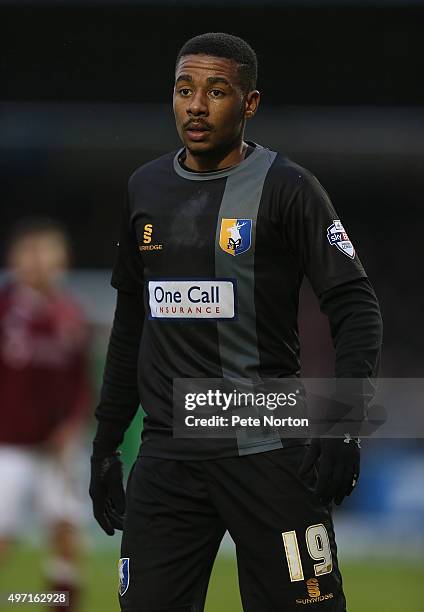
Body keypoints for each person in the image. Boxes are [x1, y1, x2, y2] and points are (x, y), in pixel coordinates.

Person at [89, 33, 383, 612]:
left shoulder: (289, 189)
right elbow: (131, 324)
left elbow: (356, 306)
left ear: (249, 105)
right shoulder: (144, 188)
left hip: (269, 450)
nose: (196, 105)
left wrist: (345, 424)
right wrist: (105, 442)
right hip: (168, 454)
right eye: (184, 90)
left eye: (216, 91)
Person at [0, 218, 91, 610]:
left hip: (56, 447)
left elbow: (81, 382)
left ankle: (57, 605)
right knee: (3, 537)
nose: (38, 263)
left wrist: (72, 425)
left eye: (47, 254)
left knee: (66, 529)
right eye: (31, 253)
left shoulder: (69, 316)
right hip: (9, 445)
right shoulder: (5, 311)